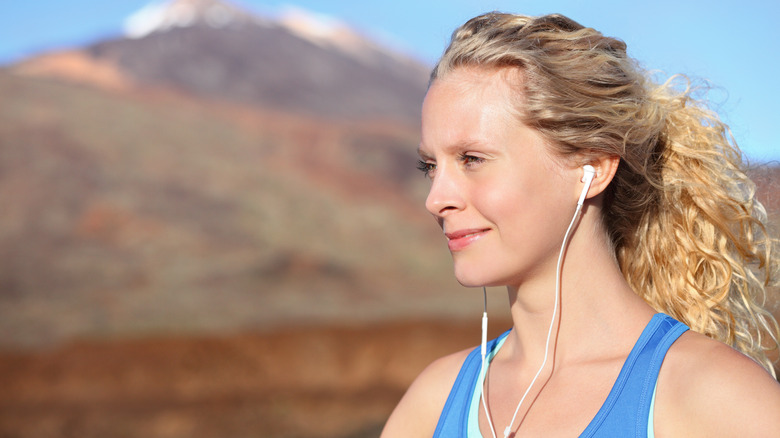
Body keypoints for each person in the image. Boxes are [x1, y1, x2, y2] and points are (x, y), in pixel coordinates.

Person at [381, 12, 780, 438]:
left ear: (592, 166)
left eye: (472, 160)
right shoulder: (435, 402)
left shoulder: (714, 399)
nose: (436, 199)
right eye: (430, 166)